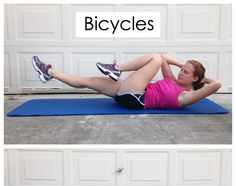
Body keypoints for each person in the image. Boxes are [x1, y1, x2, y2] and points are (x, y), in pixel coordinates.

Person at [32, 53, 221, 110]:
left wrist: (202, 78)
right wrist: (185, 64)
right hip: (129, 91)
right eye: (181, 69)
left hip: (137, 98)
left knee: (154, 58)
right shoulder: (171, 79)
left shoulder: (186, 96)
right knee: (88, 80)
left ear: (194, 78)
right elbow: (165, 57)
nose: (180, 72)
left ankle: (117, 68)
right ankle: (49, 72)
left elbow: (217, 85)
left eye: (186, 72)